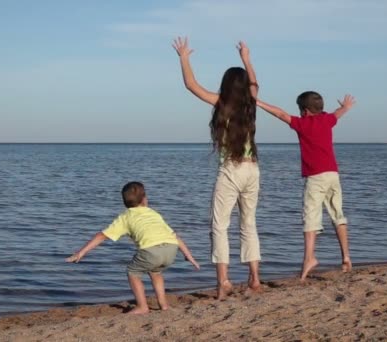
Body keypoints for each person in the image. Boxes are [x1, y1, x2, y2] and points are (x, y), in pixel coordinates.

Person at [172, 37, 261, 299]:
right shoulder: (250, 103)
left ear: (225, 85)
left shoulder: (222, 103)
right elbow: (255, 84)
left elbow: (191, 85)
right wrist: (246, 58)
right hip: (253, 169)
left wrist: (184, 57)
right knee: (249, 224)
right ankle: (255, 278)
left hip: (231, 169)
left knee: (220, 226)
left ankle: (223, 280)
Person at [256, 91, 355, 281]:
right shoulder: (327, 120)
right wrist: (346, 107)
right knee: (338, 215)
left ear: (305, 111)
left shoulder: (302, 124)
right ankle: (346, 257)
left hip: (315, 177)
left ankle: (309, 258)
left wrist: (259, 102)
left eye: (300, 109)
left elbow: (280, 114)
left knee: (310, 219)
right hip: (333, 174)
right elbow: (338, 113)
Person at [66, 181, 200, 314]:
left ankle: (142, 306)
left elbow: (102, 236)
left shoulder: (125, 217)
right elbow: (174, 236)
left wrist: (81, 253)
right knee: (156, 272)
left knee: (133, 272)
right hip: (171, 249)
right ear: (144, 200)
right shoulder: (153, 213)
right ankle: (164, 305)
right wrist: (189, 256)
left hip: (151, 250)